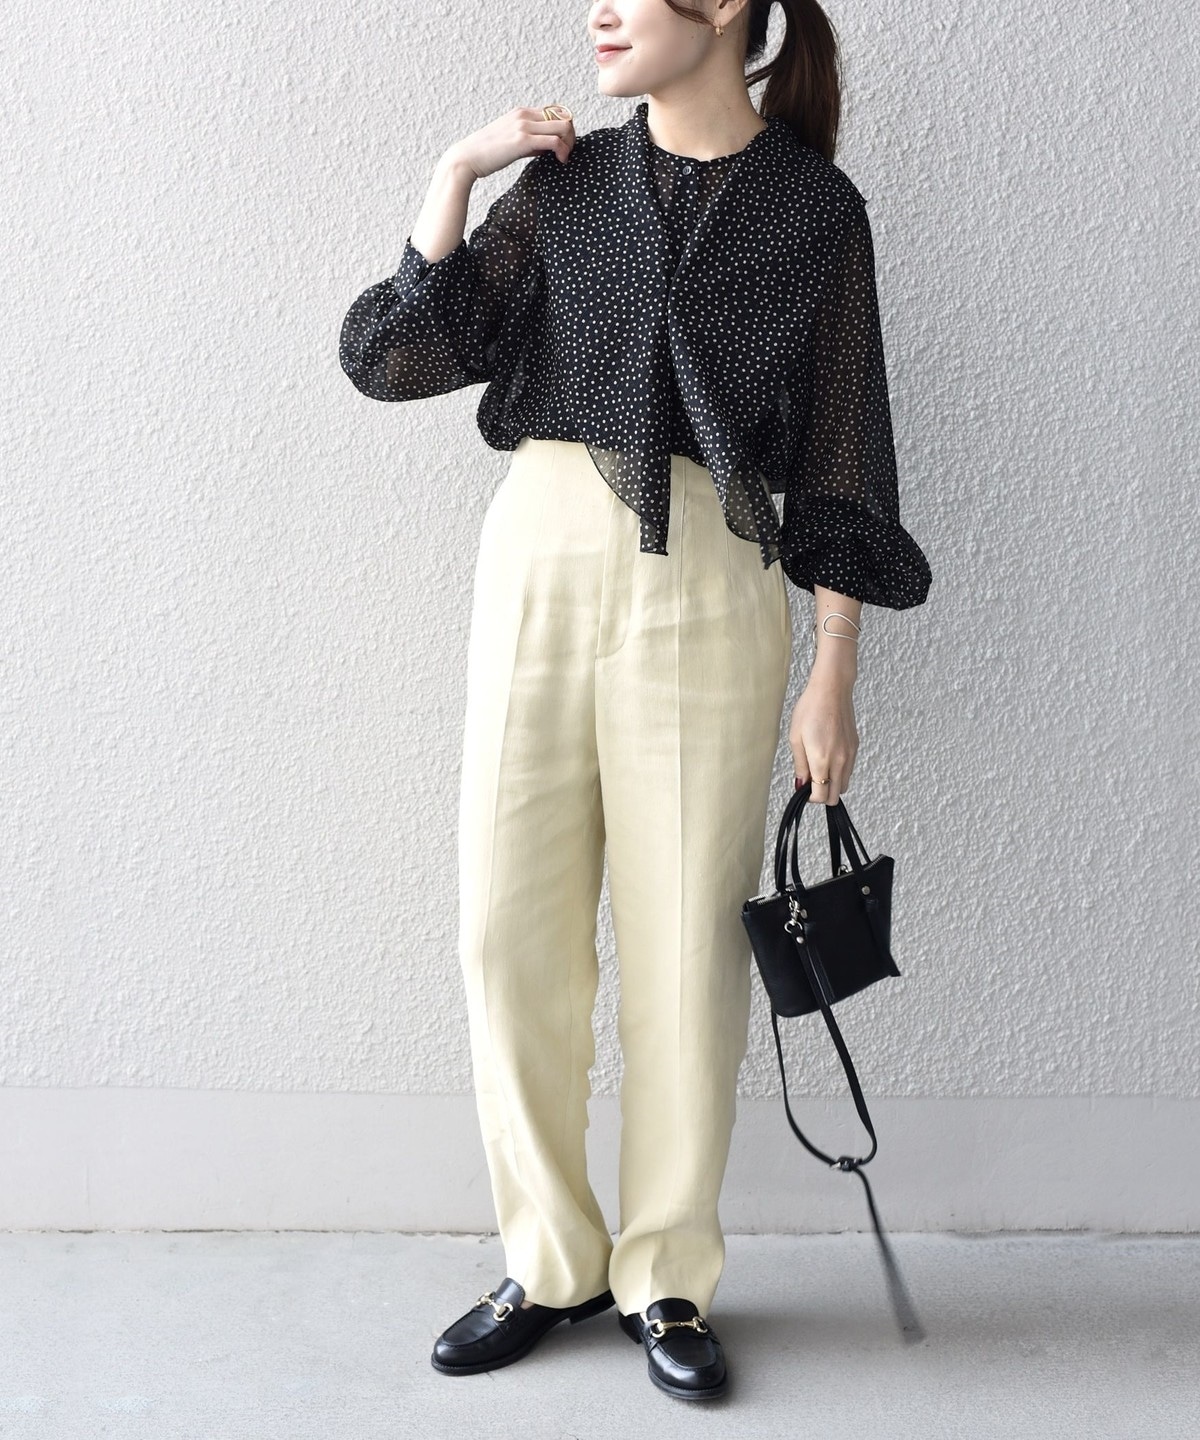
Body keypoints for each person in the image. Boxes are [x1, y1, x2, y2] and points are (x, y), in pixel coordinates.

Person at [339, 0, 932, 1404]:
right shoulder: (567, 188)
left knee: (684, 951)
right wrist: (455, 171)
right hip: (539, 563)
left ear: (723, 8)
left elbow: (844, 454)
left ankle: (666, 1273)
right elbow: (393, 359)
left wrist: (835, 664)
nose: (598, 10)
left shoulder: (815, 213)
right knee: (505, 929)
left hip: (716, 585)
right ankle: (550, 1258)